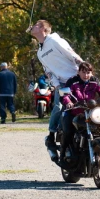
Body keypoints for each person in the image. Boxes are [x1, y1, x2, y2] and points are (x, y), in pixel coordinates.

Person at [29, 20, 82, 161]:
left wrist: (84, 68)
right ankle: (51, 137)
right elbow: (49, 72)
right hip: (62, 84)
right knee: (58, 107)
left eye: (35, 24)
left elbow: (71, 54)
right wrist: (57, 86)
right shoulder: (40, 53)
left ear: (42, 28)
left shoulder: (54, 40)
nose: (32, 26)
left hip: (77, 79)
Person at [60, 62, 100, 160]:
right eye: (83, 72)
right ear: (78, 72)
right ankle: (63, 154)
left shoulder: (94, 81)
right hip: (74, 111)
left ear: (91, 73)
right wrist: (68, 102)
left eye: (88, 72)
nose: (86, 75)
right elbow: (65, 95)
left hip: (91, 112)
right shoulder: (72, 81)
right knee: (68, 131)